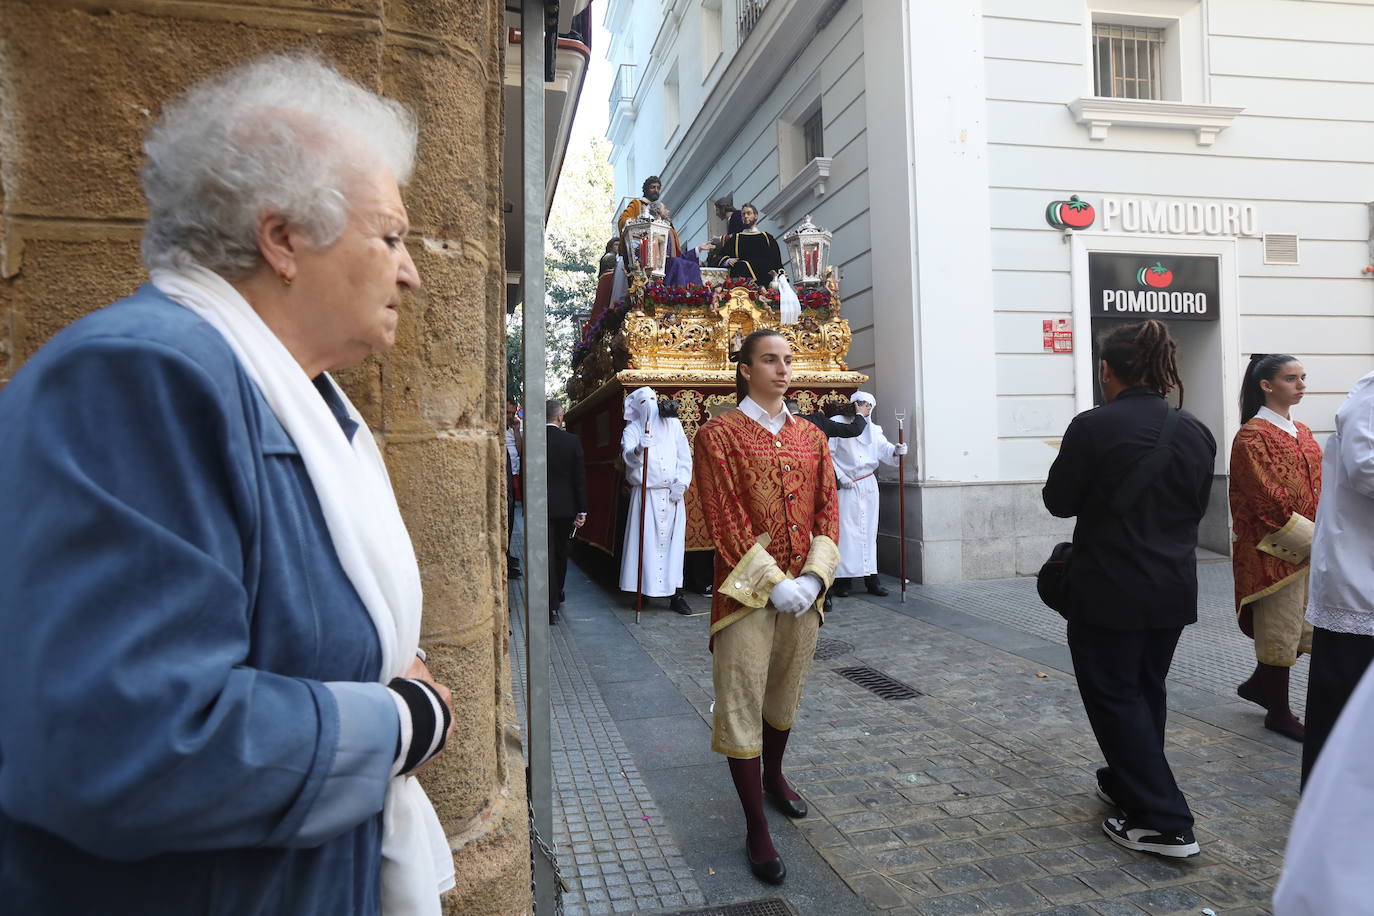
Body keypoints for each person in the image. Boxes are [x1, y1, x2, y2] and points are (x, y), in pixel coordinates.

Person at [0, 55, 457, 914]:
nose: (412, 273)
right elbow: (127, 744)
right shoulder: (139, 379)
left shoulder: (296, 400)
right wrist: (402, 722)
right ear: (282, 239)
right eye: (390, 237)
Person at [1043, 320, 1215, 859]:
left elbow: (1059, 500)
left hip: (1109, 587)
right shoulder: (1196, 430)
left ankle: (1164, 821)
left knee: (1115, 696)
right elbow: (1197, 508)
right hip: (1172, 586)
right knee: (1145, 691)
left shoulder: (1094, 425)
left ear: (1106, 371)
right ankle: (1127, 782)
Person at [693, 329, 840, 885]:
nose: (782, 370)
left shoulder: (811, 436)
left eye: (787, 360)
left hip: (805, 593)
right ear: (746, 369)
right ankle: (756, 824)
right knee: (740, 700)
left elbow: (829, 508)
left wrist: (814, 577)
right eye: (769, 360)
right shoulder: (719, 434)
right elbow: (724, 516)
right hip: (745, 595)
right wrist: (773, 582)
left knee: (783, 692)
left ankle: (774, 776)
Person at [1228, 354, 1320, 742]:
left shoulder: (1303, 429)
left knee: (1304, 627)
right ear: (1266, 385)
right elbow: (1268, 500)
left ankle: (1259, 685)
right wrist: (1319, 541)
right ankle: (1278, 712)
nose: (1300, 385)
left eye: (1302, 378)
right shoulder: (1252, 435)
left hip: (1311, 542)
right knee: (1278, 629)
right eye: (1290, 378)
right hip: (1272, 547)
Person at [1300, 369, 1374, 785]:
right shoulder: (1372, 390)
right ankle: (1332, 798)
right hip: (1358, 572)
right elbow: (1366, 468)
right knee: (1346, 699)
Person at [620, 387, 694, 614]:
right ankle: (644, 593)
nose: (650, 405)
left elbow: (684, 457)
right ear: (636, 407)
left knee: (673, 546)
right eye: (644, 402)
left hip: (671, 494)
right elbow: (627, 456)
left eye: (653, 399)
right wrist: (639, 448)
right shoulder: (632, 429)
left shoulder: (673, 425)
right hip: (646, 494)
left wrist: (681, 484)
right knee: (645, 544)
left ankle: (675, 594)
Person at [830, 391, 907, 598]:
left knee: (868, 532)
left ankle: (871, 577)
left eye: (869, 405)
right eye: (862, 404)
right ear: (854, 404)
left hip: (868, 485)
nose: (866, 408)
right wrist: (841, 477)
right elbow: (827, 454)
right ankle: (843, 580)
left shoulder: (873, 430)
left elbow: (885, 451)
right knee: (846, 532)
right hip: (848, 486)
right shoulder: (837, 424)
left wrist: (897, 451)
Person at [546, 398, 588, 624]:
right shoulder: (571, 441)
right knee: (561, 553)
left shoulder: (534, 440)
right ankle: (557, 595)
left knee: (546, 553)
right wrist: (581, 510)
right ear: (560, 417)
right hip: (565, 508)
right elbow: (579, 479)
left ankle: (549, 601)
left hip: (540, 508)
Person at [710, 204, 784, 285]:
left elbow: (776, 261)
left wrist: (782, 280)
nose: (745, 216)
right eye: (743, 214)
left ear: (756, 216)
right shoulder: (735, 239)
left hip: (766, 283)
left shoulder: (767, 238)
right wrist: (727, 260)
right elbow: (720, 256)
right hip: (744, 285)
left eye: (749, 213)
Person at [784, 397, 869, 441]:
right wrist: (860, 414)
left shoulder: (780, 425)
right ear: (799, 410)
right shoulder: (819, 421)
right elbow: (854, 429)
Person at [507, 397, 524, 579]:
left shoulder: (513, 431)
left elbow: (519, 450)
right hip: (506, 475)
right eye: (507, 412)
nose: (510, 416)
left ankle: (508, 552)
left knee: (511, 517)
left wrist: (517, 431)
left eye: (512, 413)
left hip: (514, 475)